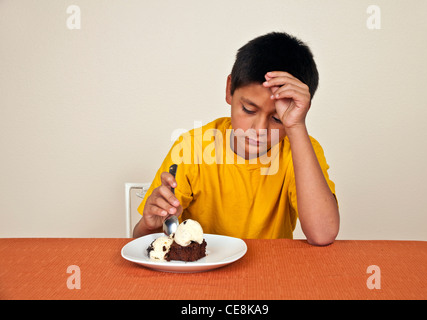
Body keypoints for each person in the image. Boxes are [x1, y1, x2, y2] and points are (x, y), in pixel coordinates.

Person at [133, 32, 339, 245]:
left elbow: (322, 234)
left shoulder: (300, 150)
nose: (258, 130)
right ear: (229, 90)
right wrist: (150, 225)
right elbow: (144, 243)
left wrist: (295, 125)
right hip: (201, 272)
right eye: (249, 110)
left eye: (277, 119)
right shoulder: (192, 148)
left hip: (271, 272)